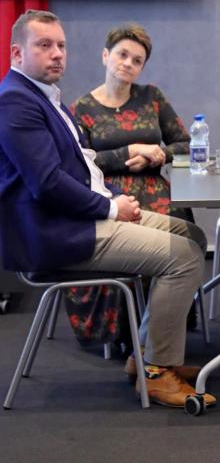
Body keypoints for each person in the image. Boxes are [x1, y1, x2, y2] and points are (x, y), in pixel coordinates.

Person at [0, 10, 214, 409]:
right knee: (183, 257)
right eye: (44, 45)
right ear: (17, 53)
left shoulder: (46, 97)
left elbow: (84, 168)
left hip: (82, 215)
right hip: (58, 232)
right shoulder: (15, 101)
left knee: (191, 235)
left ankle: (146, 354)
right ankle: (156, 370)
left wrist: (116, 198)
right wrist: (111, 208)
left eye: (61, 45)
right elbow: (47, 183)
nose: (57, 54)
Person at [65, 23, 203, 354]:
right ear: (105, 56)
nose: (128, 63)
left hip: (156, 187)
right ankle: (130, 337)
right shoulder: (81, 108)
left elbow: (187, 143)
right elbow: (78, 163)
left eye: (137, 60)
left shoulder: (152, 97)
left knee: (185, 234)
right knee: (141, 236)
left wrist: (159, 154)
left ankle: (155, 336)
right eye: (122, 55)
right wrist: (128, 152)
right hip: (108, 192)